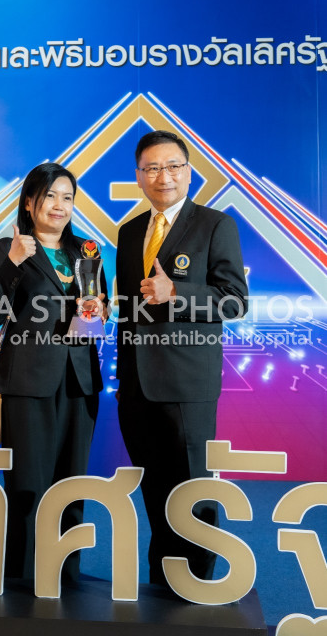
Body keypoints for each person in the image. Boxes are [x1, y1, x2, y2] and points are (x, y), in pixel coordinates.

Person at [116, 130, 248, 585]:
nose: (163, 176)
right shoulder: (129, 232)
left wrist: (177, 292)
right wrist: (123, 373)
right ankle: (163, 580)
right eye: (152, 168)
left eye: (173, 166)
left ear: (189, 173)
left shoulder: (215, 225)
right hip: (137, 385)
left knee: (193, 489)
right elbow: (130, 311)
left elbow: (234, 301)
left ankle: (199, 587)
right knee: (154, 488)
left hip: (188, 385)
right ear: (138, 177)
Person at [0, 162, 107, 581]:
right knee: (28, 482)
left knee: (72, 482)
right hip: (28, 380)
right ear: (29, 202)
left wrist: (100, 309)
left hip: (79, 379)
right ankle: (23, 573)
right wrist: (14, 263)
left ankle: (66, 571)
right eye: (50, 196)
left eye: (67, 197)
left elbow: (98, 308)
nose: (59, 205)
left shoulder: (87, 251)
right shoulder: (8, 247)